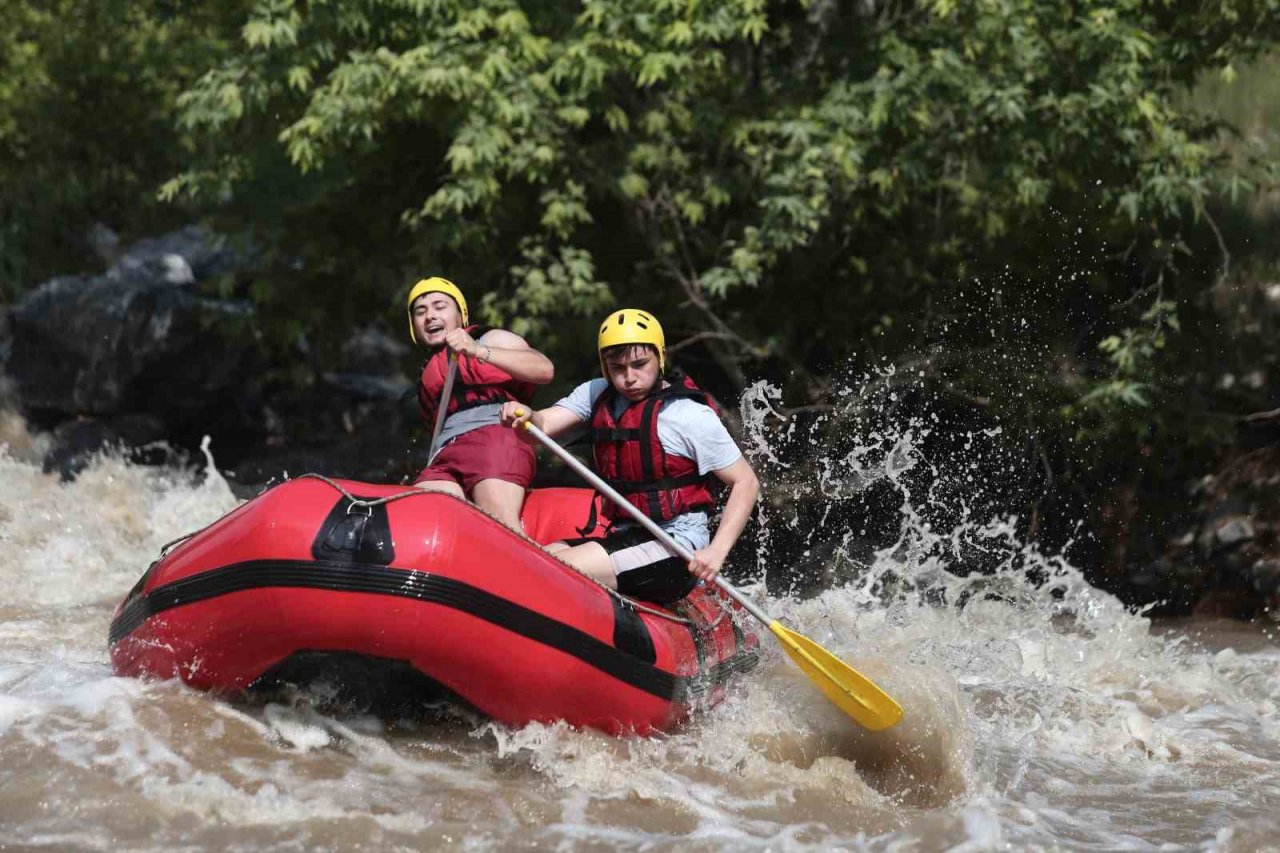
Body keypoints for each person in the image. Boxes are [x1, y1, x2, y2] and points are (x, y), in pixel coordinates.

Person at [500, 309, 759, 604]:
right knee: (546, 554)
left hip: (677, 548)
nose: (629, 378)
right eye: (617, 368)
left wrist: (717, 552)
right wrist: (524, 416)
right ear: (605, 366)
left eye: (640, 364)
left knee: (547, 568)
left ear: (660, 357)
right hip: (627, 534)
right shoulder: (596, 394)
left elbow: (746, 483)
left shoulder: (687, 415)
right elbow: (541, 425)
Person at [407, 276, 554, 530]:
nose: (430, 315)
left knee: (501, 532)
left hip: (494, 436)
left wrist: (477, 350)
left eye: (440, 306)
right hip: (445, 454)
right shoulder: (427, 372)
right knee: (422, 524)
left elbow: (544, 369)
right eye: (421, 312)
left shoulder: (489, 338)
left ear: (460, 315)